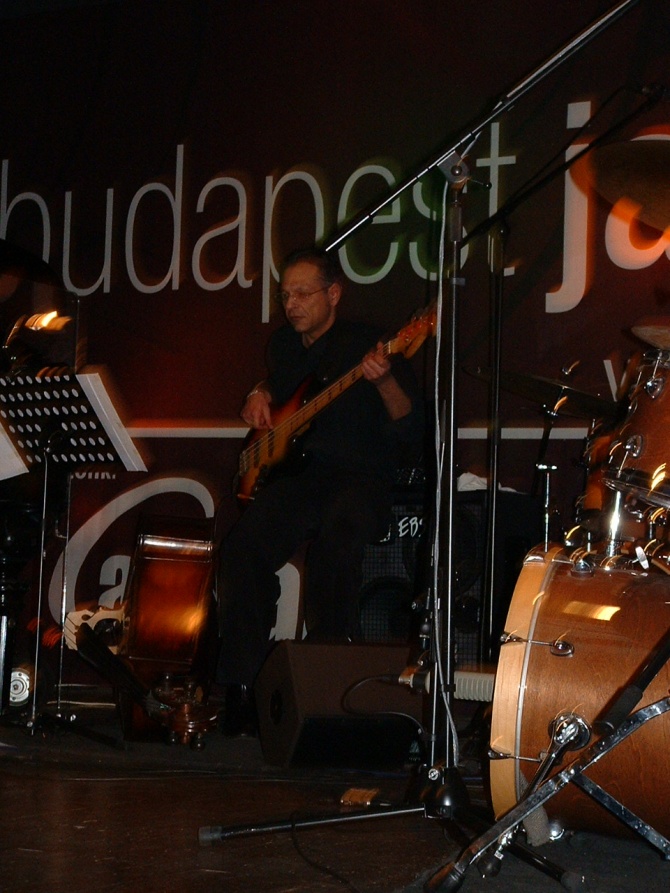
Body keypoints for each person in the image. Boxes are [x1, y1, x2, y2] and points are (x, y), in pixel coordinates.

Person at [216, 246, 424, 734]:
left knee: (337, 545)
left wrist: (385, 381)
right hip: (299, 479)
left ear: (333, 294)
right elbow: (280, 382)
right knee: (242, 549)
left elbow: (411, 426)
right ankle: (245, 686)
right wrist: (260, 392)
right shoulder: (284, 345)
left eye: (303, 294)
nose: (291, 305)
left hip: (360, 477)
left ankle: (328, 690)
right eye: (285, 295)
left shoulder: (372, 343)